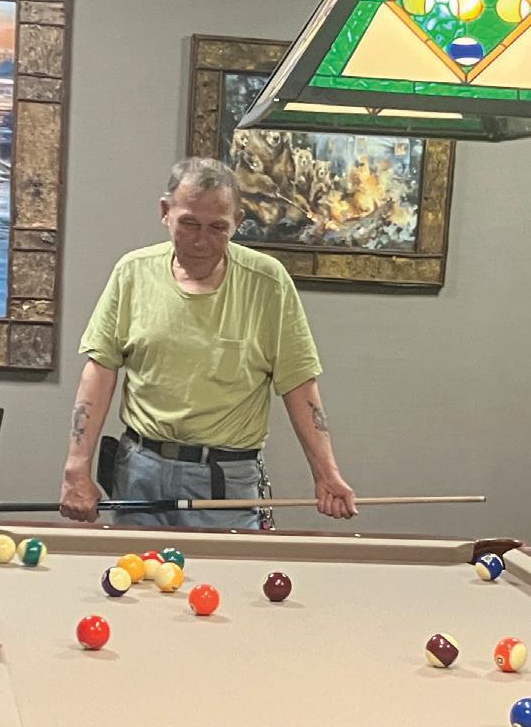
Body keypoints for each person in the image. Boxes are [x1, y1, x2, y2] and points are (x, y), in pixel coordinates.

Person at [60, 157, 357, 530]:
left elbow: (299, 384)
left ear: (238, 222)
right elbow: (100, 371)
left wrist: (326, 473)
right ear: (165, 212)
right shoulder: (132, 272)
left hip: (224, 479)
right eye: (189, 224)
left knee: (223, 569)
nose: (201, 241)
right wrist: (77, 467)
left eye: (218, 227)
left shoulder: (268, 283)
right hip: (140, 470)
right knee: (139, 567)